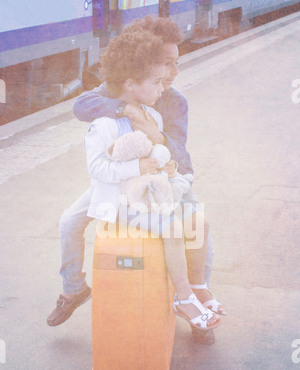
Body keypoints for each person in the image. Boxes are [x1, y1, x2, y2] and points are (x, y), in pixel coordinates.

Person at [47, 16, 225, 327]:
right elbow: (81, 106)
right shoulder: (120, 88)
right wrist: (124, 109)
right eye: (167, 63)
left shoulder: (173, 101)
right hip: (121, 180)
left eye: (175, 63)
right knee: (68, 221)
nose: (174, 72)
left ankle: (199, 290)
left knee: (197, 222)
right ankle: (74, 289)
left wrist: (151, 132)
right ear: (146, 64)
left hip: (166, 176)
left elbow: (179, 152)